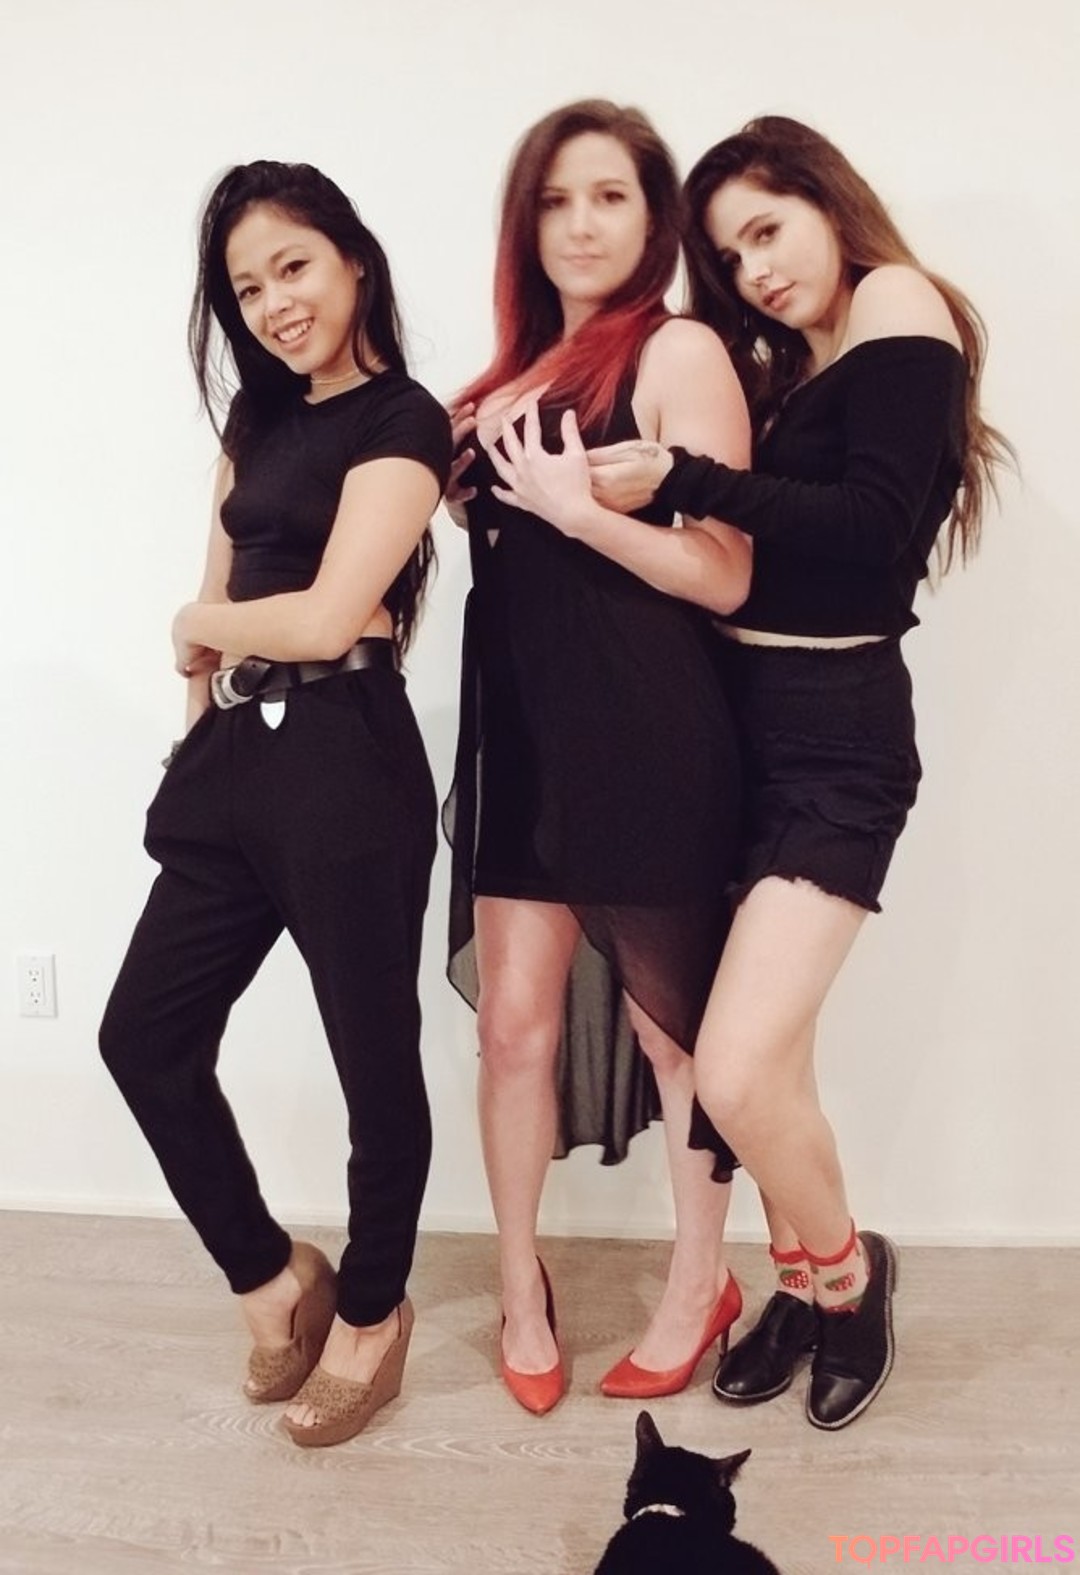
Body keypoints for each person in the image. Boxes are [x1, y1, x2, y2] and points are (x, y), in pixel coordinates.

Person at [494, 115, 1009, 1429]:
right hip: (734, 726)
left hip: (837, 739)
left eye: (769, 231)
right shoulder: (799, 358)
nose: (757, 272)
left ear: (832, 203)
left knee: (729, 1067)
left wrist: (682, 475)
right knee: (769, 1062)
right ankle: (790, 1281)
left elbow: (872, 523)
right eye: (730, 256)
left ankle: (847, 1275)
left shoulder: (897, 302)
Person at [99, 161, 451, 1449]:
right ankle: (270, 1279)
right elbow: (222, 614)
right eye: (247, 289)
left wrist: (196, 624)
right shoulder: (253, 425)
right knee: (144, 1038)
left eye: (292, 266)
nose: (274, 303)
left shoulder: (407, 421)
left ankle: (371, 1314)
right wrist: (197, 722)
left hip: (350, 760)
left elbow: (321, 615)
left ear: (352, 259)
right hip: (237, 762)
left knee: (373, 1062)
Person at [444, 100, 753, 1414]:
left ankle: (701, 1285)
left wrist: (580, 513)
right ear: (527, 222)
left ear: (653, 216)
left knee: (678, 1040)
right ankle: (523, 1287)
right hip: (521, 740)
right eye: (557, 199)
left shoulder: (677, 350)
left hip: (649, 735)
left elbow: (727, 574)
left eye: (610, 196)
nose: (581, 224)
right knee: (513, 1030)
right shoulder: (500, 384)